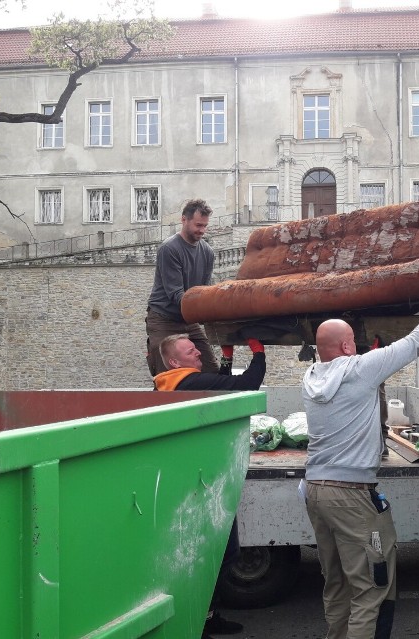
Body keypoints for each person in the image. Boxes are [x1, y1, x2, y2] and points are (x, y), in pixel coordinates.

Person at [302, 271, 419, 639]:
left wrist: (370, 355)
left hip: (315, 490)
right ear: (347, 347)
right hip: (352, 497)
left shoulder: (312, 377)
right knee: (372, 586)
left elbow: (355, 378)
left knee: (336, 584)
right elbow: (418, 340)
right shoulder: (360, 369)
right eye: (352, 342)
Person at [154, 334, 266, 638]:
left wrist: (227, 358)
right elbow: (246, 385)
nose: (199, 354)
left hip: (196, 480)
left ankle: (209, 617)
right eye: (192, 352)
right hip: (198, 486)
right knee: (219, 554)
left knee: (219, 553)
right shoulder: (188, 383)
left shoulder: (172, 383)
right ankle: (199, 623)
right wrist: (258, 352)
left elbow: (217, 385)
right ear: (176, 362)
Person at [145, 198, 219, 378]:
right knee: (167, 377)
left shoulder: (207, 252)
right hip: (163, 318)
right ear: (183, 220)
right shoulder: (169, 249)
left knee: (212, 370)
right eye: (198, 225)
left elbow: (203, 292)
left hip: (188, 319)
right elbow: (176, 295)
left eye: (205, 226)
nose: (202, 230)